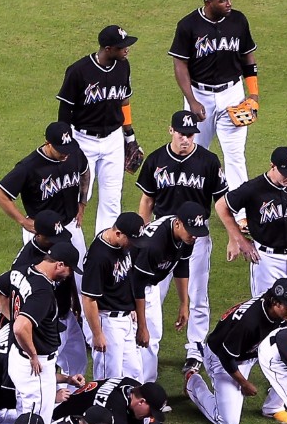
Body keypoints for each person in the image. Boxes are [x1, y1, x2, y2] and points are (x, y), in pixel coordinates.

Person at [137, 111, 225, 368]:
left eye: (190, 135)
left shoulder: (208, 161)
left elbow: (220, 201)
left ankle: (195, 350)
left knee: (198, 293)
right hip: (162, 233)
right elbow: (147, 200)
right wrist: (141, 236)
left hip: (196, 234)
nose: (186, 139)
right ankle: (145, 350)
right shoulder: (156, 159)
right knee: (152, 294)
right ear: (171, 131)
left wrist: (234, 235)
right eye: (181, 134)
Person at [219, 146, 287, 336]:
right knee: (267, 319)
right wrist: (238, 238)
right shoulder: (253, 189)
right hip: (266, 259)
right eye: (285, 172)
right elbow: (221, 206)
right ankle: (273, 363)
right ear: (272, 166)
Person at [170, 0, 260, 189]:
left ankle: (240, 213)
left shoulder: (238, 20)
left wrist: (253, 94)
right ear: (208, 2)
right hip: (199, 95)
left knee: (235, 155)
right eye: (223, 0)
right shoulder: (188, 25)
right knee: (194, 152)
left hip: (233, 94)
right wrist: (191, 101)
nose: (229, 3)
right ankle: (192, 206)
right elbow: (180, 65)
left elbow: (248, 58)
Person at [185, 279, 287, 424]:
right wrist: (244, 383)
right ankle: (192, 382)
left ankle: (273, 407)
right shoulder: (249, 323)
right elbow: (226, 357)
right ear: (275, 302)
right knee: (228, 421)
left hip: (250, 351)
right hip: (221, 358)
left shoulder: (274, 309)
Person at [57, 24, 138, 236]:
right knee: (77, 196)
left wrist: (129, 136)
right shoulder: (78, 71)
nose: (126, 50)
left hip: (113, 140)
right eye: (122, 47)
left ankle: (106, 249)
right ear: (108, 48)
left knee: (112, 199)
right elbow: (65, 110)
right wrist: (66, 146)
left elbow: (124, 101)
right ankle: (69, 248)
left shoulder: (123, 66)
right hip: (83, 140)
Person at [127, 203, 208, 383]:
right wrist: (142, 323)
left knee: (152, 339)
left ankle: (147, 390)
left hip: (149, 284)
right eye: (191, 230)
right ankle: (129, 392)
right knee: (133, 342)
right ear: (178, 223)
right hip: (128, 288)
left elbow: (182, 265)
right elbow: (137, 282)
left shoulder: (186, 236)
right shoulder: (154, 244)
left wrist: (184, 304)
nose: (194, 235)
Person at [0, 122, 89, 265]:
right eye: (60, 149)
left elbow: (85, 172)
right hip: (44, 234)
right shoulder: (29, 166)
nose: (65, 154)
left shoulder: (73, 153)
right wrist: (23, 221)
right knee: (42, 281)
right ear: (48, 143)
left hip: (70, 226)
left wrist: (82, 203)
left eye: (67, 149)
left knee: (80, 277)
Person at [3, 243, 76, 421]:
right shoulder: (43, 291)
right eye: (69, 269)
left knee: (25, 414)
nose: (69, 275)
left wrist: (12, 316)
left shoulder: (21, 270)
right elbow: (20, 327)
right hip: (34, 364)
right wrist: (33, 355)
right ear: (59, 265)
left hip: (17, 357)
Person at [80, 211, 146, 382]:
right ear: (118, 233)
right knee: (109, 378)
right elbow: (88, 298)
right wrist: (97, 334)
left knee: (134, 371)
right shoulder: (99, 256)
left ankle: (127, 408)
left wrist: (131, 307)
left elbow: (125, 279)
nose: (133, 245)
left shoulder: (120, 245)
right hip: (107, 321)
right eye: (131, 240)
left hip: (125, 319)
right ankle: (104, 409)